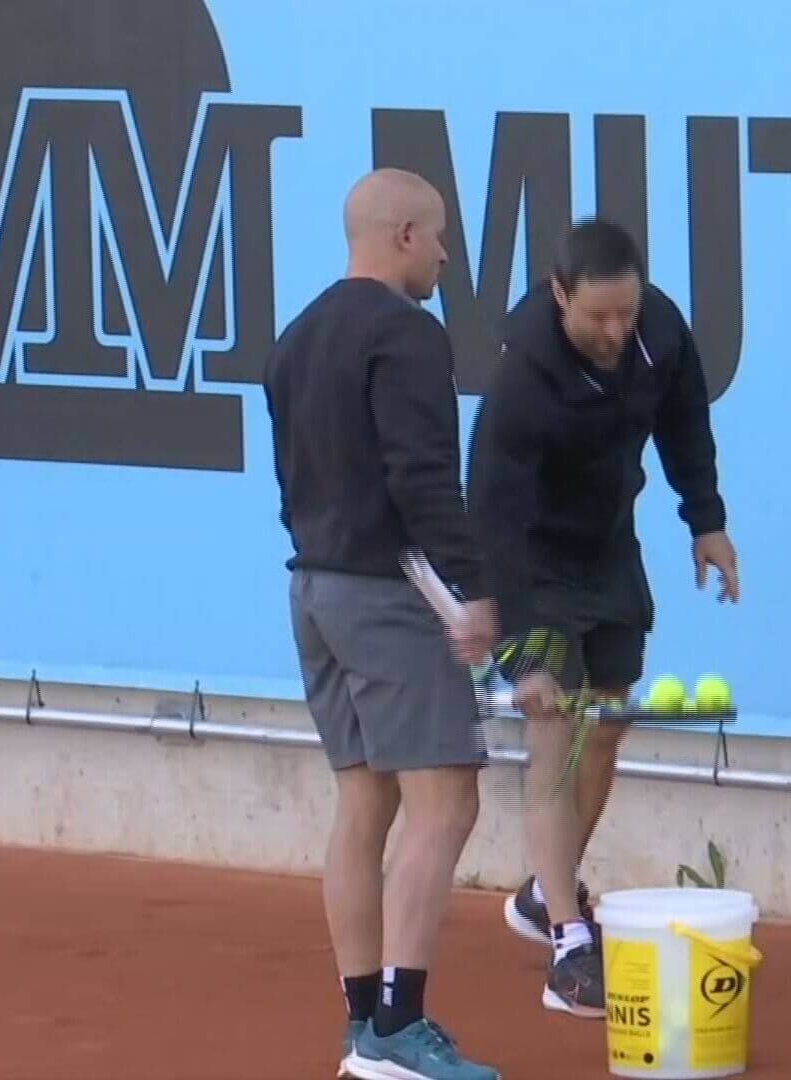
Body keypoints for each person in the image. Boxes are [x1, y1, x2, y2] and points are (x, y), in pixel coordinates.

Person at [466, 217, 740, 1019]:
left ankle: (539, 896)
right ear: (560, 296)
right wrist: (522, 655)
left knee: (606, 722)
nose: (617, 330)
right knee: (557, 736)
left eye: (627, 311)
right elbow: (492, 518)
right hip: (536, 568)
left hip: (610, 552)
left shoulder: (657, 328)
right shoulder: (523, 381)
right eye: (599, 317)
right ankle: (568, 942)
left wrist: (707, 521)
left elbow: (687, 422)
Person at [265, 167, 503, 1080]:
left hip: (315, 593)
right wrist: (473, 590)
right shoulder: (409, 333)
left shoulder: (295, 338)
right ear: (405, 234)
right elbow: (422, 478)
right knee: (447, 802)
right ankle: (399, 1030)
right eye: (439, 237)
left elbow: (296, 481)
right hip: (386, 596)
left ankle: (365, 1027)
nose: (446, 254)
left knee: (365, 802)